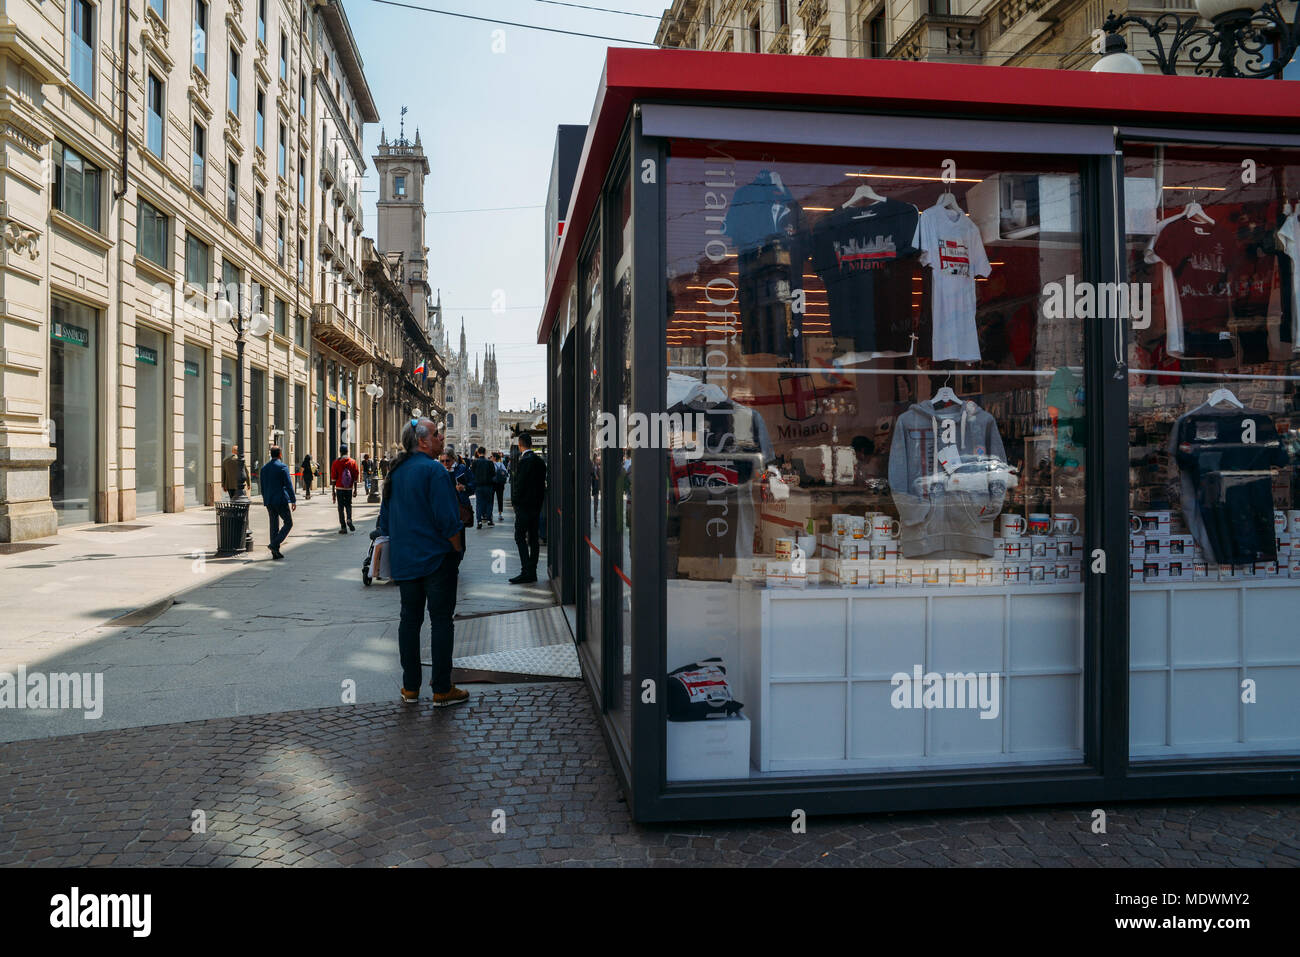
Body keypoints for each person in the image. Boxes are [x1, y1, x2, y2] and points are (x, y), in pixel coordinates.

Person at [376, 418, 467, 707]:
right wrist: (456, 550)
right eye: (438, 434)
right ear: (424, 441)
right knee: (441, 621)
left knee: (409, 621)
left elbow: (385, 521)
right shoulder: (435, 471)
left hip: (405, 561)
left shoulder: (396, 471)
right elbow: (449, 521)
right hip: (437, 560)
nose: (442, 437)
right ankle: (441, 688)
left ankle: (410, 688)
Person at [510, 432, 547, 584]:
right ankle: (532, 570)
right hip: (536, 506)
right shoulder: (539, 461)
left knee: (519, 536)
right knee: (533, 538)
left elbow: (519, 485)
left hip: (524, 507)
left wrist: (515, 503)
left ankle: (526, 570)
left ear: (520, 445)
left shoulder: (524, 461)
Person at [259, 445, 296, 559]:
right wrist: (293, 500)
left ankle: (275, 552)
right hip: (280, 500)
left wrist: (266, 499)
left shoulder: (264, 468)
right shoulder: (282, 467)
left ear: (271, 454)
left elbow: (263, 486)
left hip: (269, 500)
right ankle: (274, 544)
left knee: (273, 526)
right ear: (280, 454)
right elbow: (289, 485)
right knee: (288, 523)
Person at [441, 450, 475, 527]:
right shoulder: (439, 470)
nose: (445, 463)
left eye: (447, 461)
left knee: (460, 532)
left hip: (460, 505)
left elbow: (473, 485)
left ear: (453, 459)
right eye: (442, 461)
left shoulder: (462, 469)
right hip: (445, 507)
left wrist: (464, 488)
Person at [331, 445, 360, 533]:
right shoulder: (353, 462)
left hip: (339, 487)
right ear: (347, 451)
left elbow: (333, 478)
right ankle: (349, 519)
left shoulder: (336, 462)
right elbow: (356, 476)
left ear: (340, 452)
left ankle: (343, 527)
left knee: (340, 507)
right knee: (348, 504)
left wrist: (333, 491)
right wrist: (355, 489)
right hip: (349, 488)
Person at [470, 447, 497, 529]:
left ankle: (479, 521)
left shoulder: (475, 462)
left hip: (478, 486)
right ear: (485, 452)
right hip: (488, 485)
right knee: (489, 502)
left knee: (479, 504)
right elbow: (493, 474)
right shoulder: (489, 462)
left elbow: (472, 474)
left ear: (478, 453)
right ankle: (489, 520)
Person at [492, 452, 507, 521]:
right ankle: (500, 514)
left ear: (494, 458)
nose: (491, 458)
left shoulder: (491, 464)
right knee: (500, 499)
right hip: (500, 484)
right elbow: (505, 473)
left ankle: (490, 513)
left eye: (492, 457)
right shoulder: (501, 464)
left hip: (493, 483)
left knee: (491, 499)